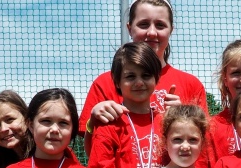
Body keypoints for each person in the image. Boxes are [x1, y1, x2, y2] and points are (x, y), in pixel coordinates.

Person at [80, 0, 206, 145]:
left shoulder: (191, 85)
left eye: (160, 25)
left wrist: (183, 118)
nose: (152, 32)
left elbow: (204, 145)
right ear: (129, 28)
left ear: (171, 30)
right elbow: (92, 150)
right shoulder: (105, 82)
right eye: (143, 24)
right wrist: (93, 122)